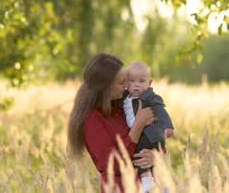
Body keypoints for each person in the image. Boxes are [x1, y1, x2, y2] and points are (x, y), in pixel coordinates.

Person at [68, 53, 156, 193]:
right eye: (122, 82)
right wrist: (138, 125)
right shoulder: (92, 120)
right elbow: (111, 164)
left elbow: (154, 137)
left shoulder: (123, 108)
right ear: (106, 87)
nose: (126, 86)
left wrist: (155, 156)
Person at [122, 61, 174, 192]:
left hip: (151, 133)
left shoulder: (150, 97)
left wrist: (168, 126)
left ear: (149, 83)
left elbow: (161, 111)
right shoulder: (125, 97)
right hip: (144, 133)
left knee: (140, 154)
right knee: (150, 158)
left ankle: (147, 182)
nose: (136, 85)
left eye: (141, 81)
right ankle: (163, 185)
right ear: (126, 83)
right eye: (132, 81)